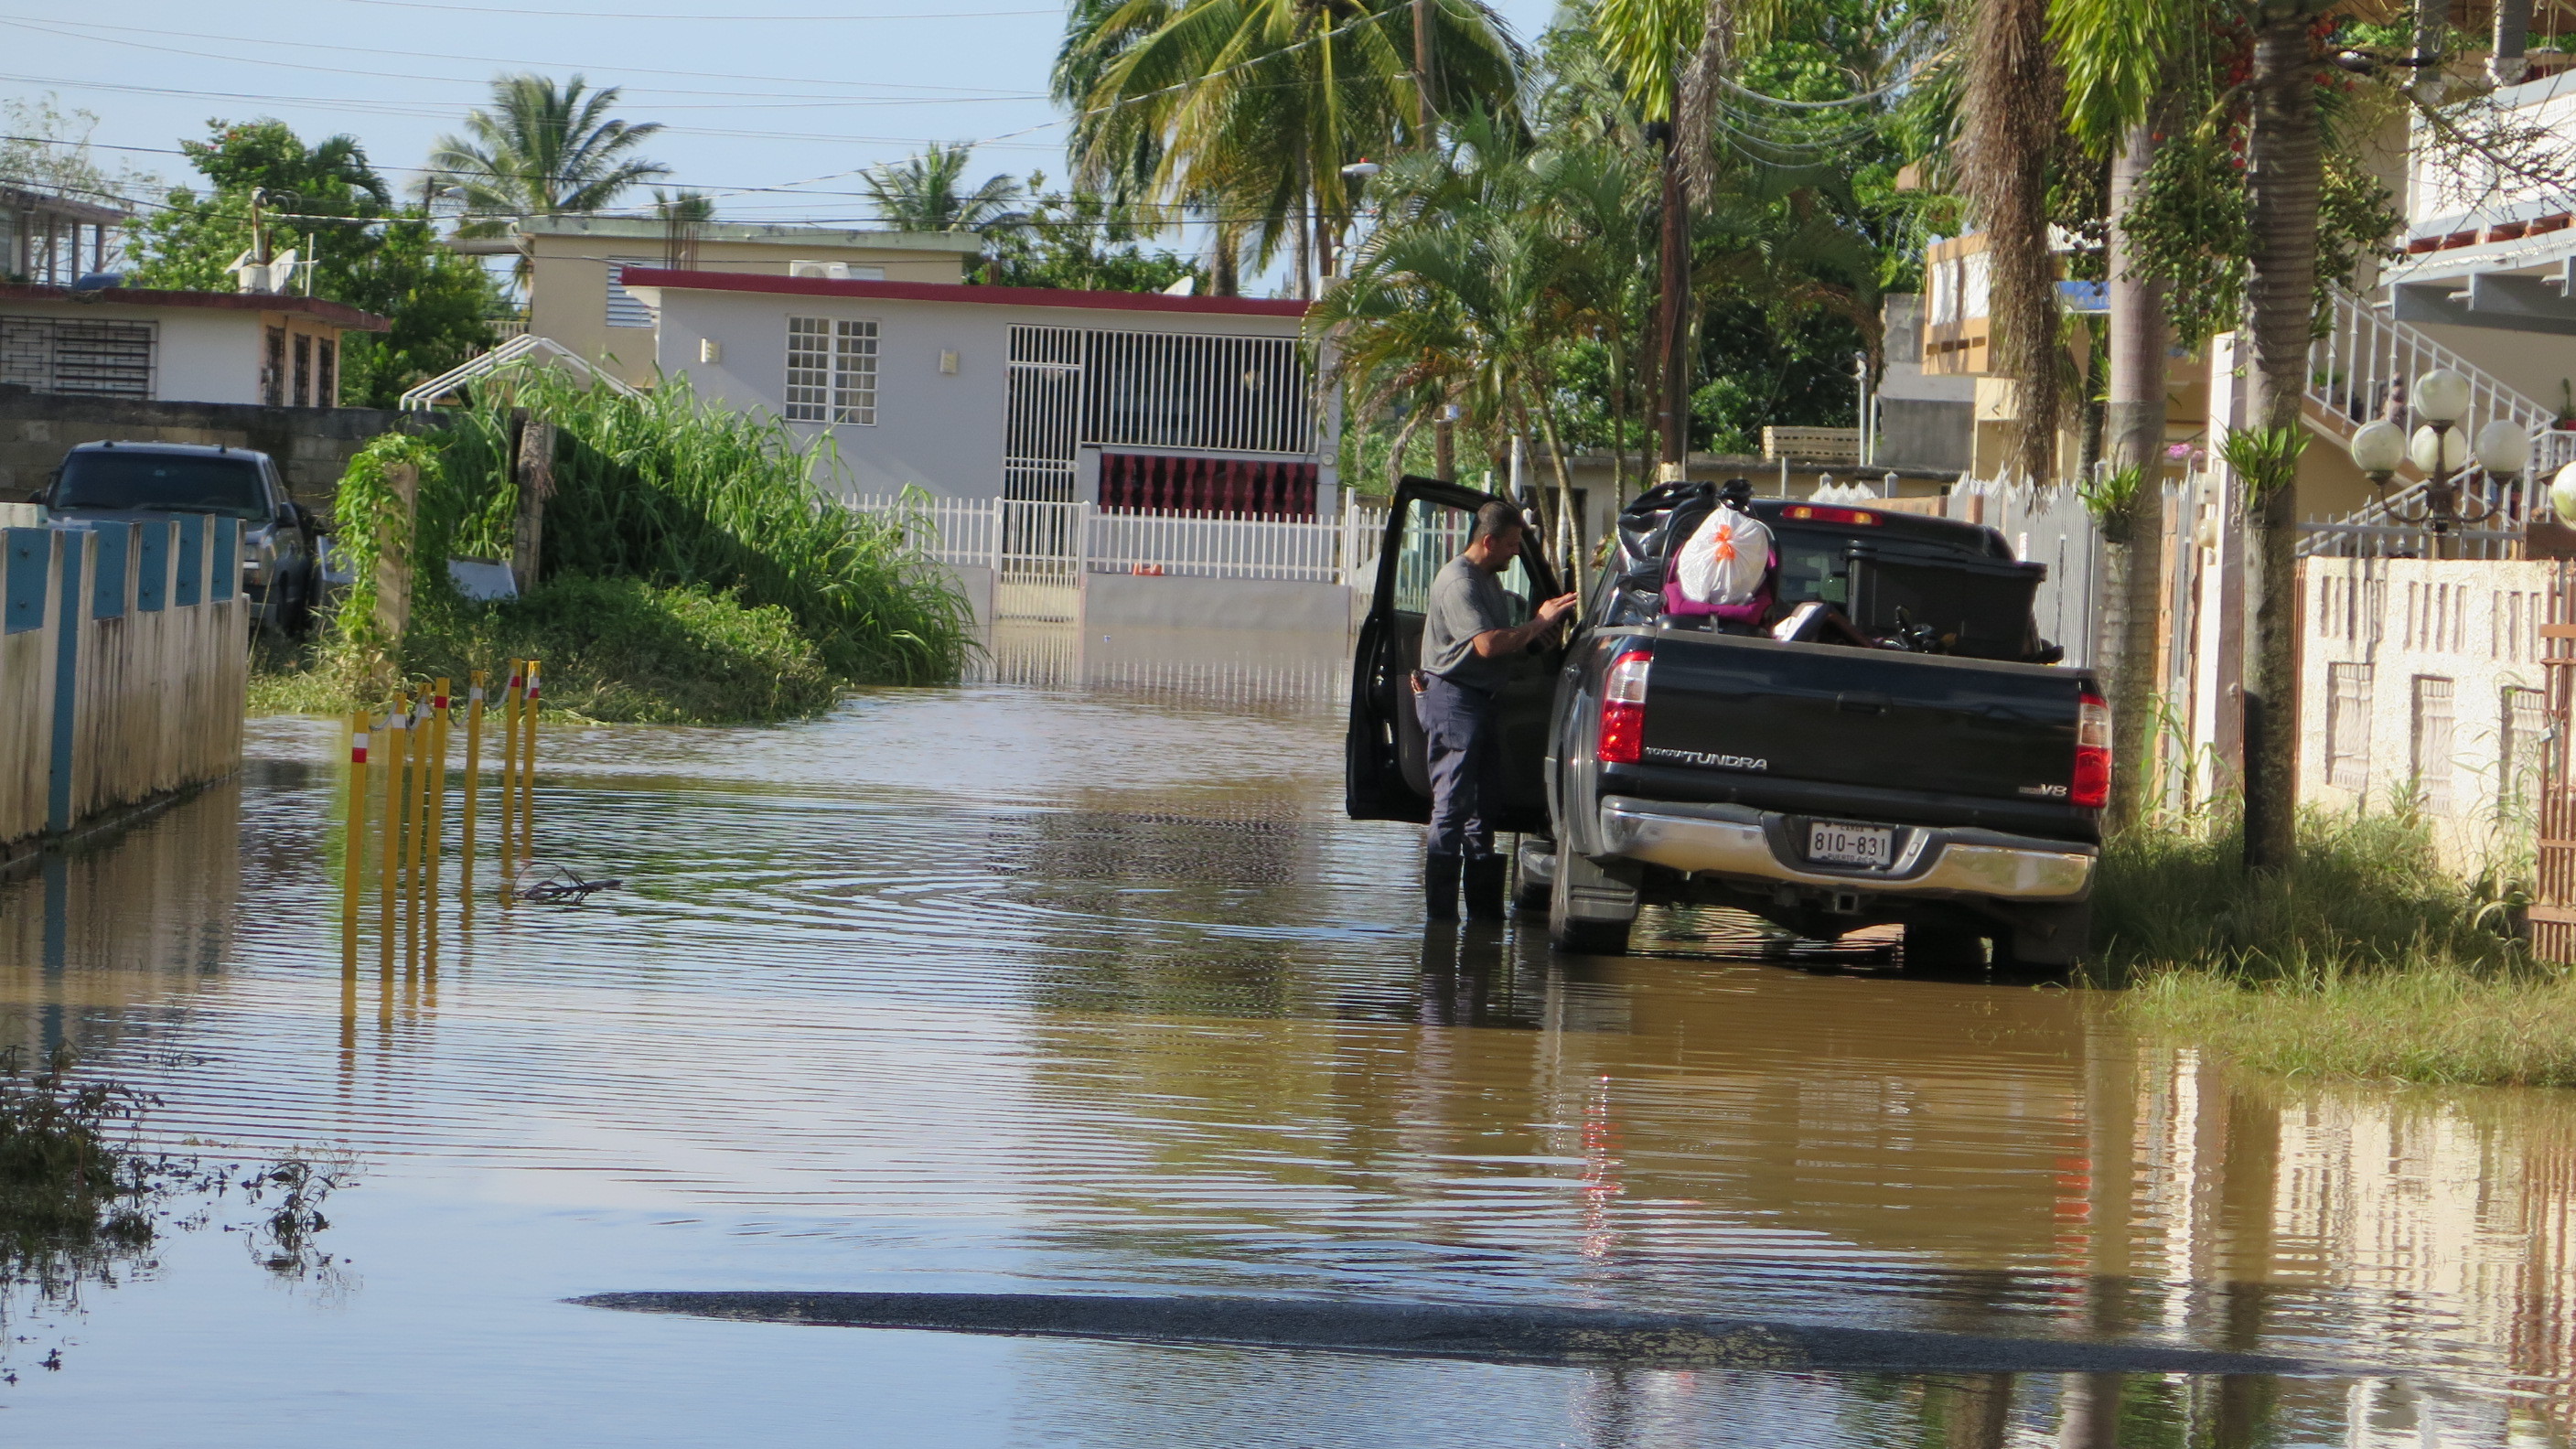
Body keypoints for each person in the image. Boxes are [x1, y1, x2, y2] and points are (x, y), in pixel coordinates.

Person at [1416, 499, 1580, 920]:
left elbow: (1503, 642)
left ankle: (1483, 921)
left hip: (1481, 699)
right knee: (1452, 805)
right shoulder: (1459, 582)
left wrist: (1533, 642)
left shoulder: (1488, 579)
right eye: (1511, 545)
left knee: (1482, 808)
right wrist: (1539, 621)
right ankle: (1440, 923)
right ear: (1488, 541)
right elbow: (1487, 645)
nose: (1514, 552)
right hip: (1453, 699)